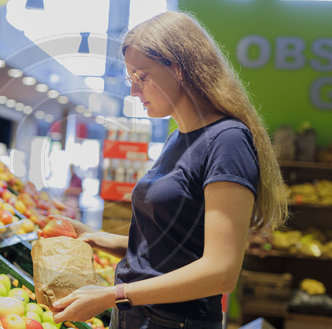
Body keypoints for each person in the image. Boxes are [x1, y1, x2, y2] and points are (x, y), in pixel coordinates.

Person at [50, 11, 288, 329]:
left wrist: (113, 294)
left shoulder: (227, 141)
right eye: (131, 80)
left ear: (177, 69)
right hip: (138, 315)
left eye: (142, 77)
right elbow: (169, 249)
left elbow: (221, 272)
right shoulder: (178, 138)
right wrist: (96, 238)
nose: (134, 92)